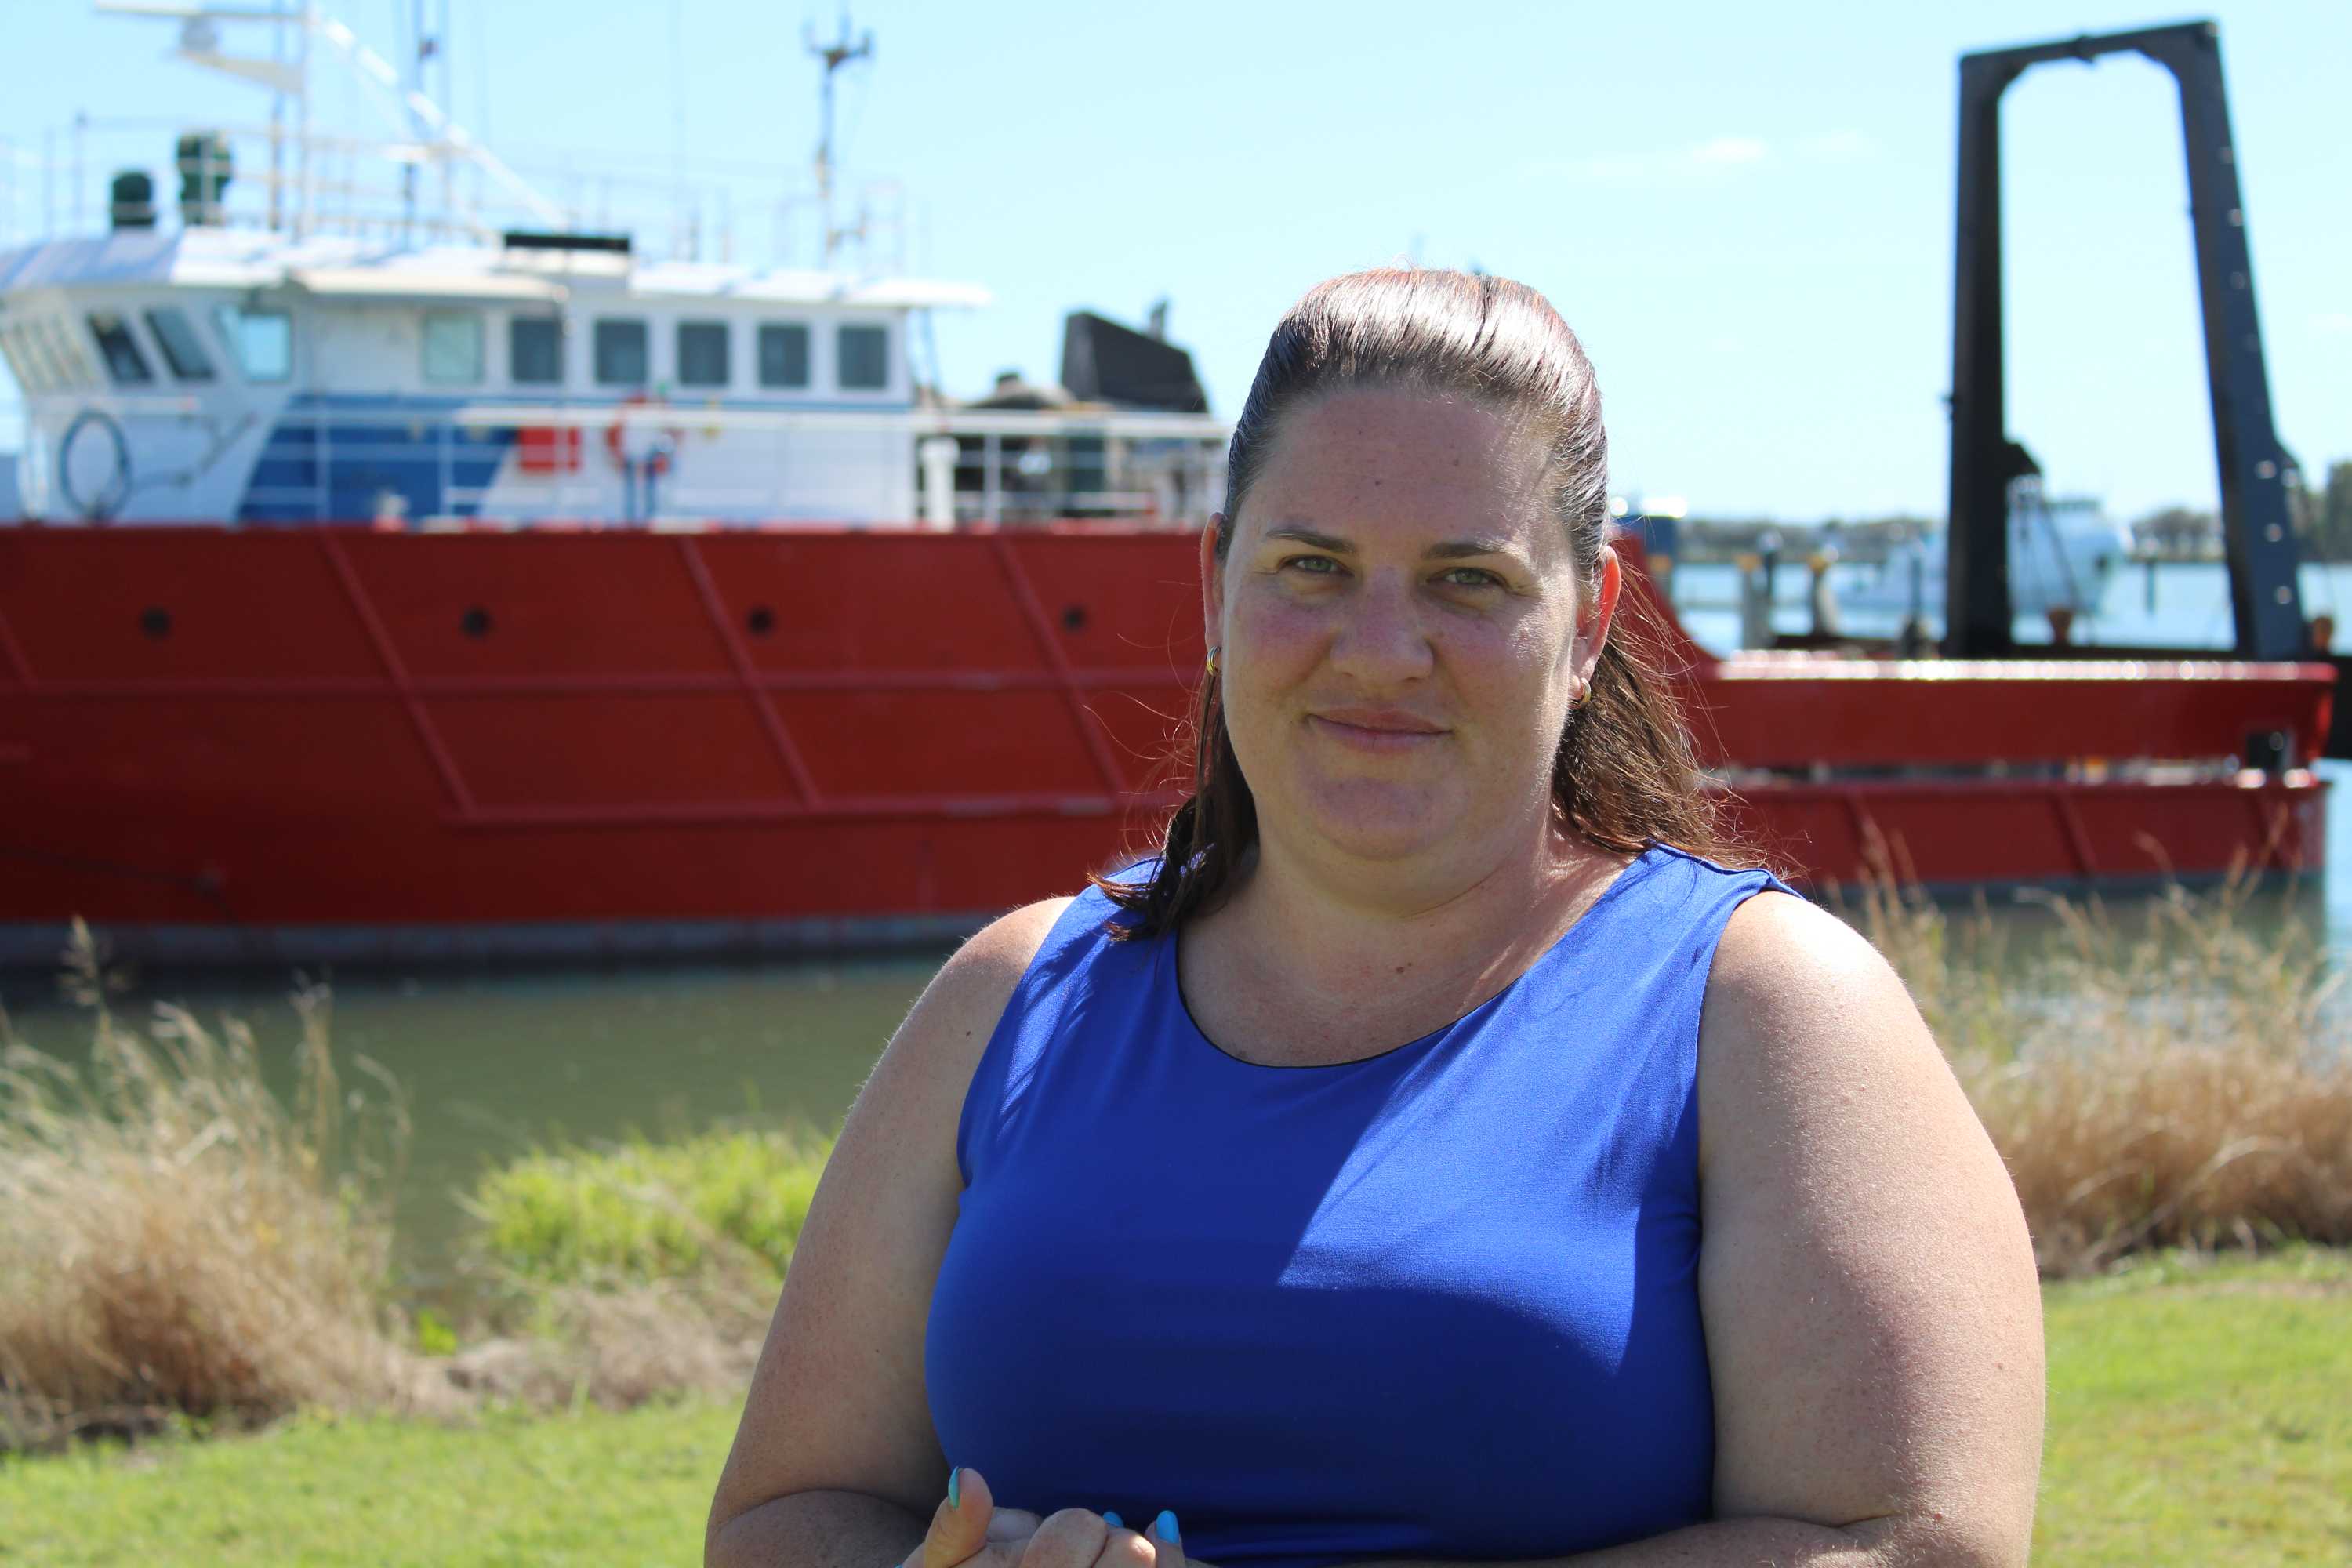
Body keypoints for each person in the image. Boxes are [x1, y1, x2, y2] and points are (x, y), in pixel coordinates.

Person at [706, 270, 2044, 1568]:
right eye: (1313, 566)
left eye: (1468, 580)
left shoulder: (1757, 1007)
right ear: (1221, 585)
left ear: (1588, 622)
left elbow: (1922, 1541)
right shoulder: (1016, 996)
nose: (1381, 650)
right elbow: (781, 1516)